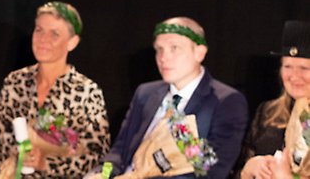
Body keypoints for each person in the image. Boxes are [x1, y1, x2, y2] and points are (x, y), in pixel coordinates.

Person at [91, 16, 248, 179]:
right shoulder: (145, 93)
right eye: (159, 49)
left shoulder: (225, 101)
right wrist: (102, 174)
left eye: (174, 48)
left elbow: (210, 172)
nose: (164, 57)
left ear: (199, 52)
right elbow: (119, 152)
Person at [0, 1, 109, 178]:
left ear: (72, 42)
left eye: (54, 34)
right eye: (39, 30)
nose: (43, 39)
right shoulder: (16, 82)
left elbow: (97, 156)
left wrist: (46, 164)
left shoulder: (86, 92)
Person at [237, 20, 310, 179]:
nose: (294, 76)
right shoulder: (268, 112)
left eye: (304, 68)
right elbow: (238, 169)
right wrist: (248, 169)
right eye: (288, 66)